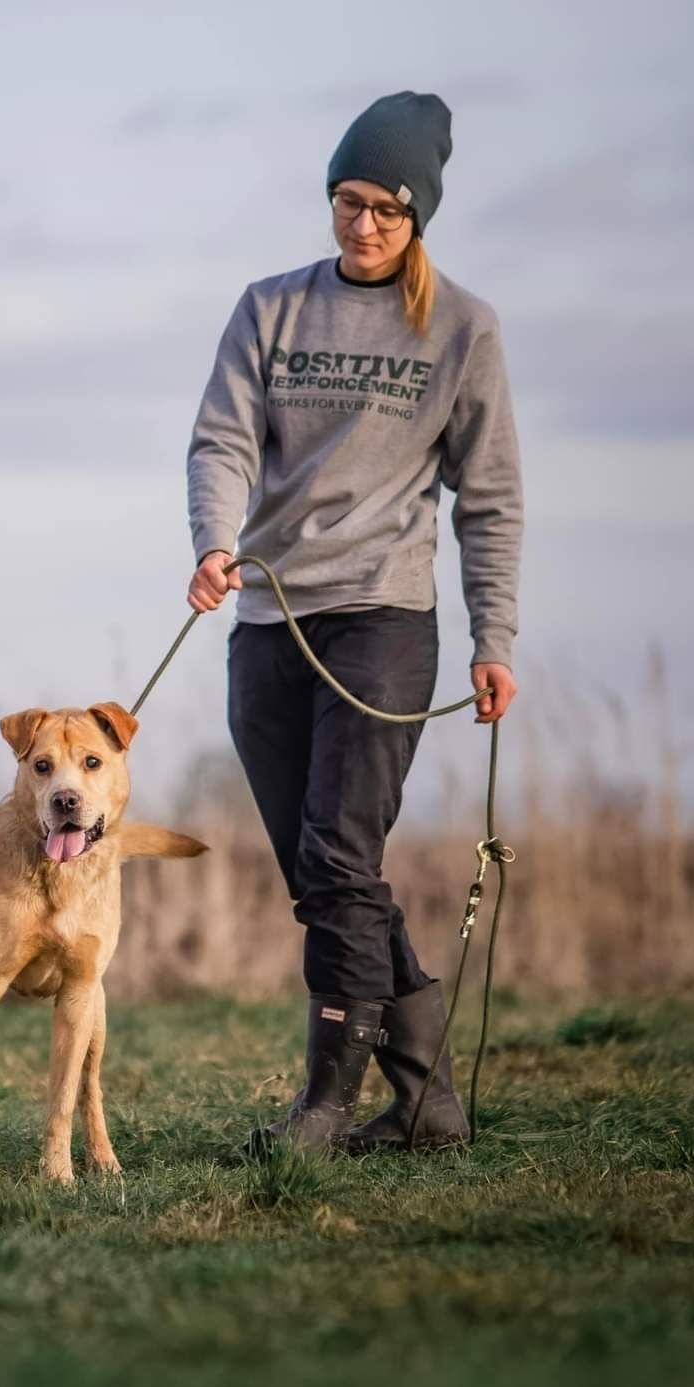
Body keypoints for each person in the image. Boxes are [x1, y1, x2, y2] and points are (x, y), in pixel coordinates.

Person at [185, 90, 523, 1156]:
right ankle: (429, 1108)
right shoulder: (271, 308)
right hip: (271, 617)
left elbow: (492, 496)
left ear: (418, 212)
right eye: (346, 200)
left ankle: (323, 1110)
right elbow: (222, 442)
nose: (362, 225)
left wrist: (494, 639)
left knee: (338, 853)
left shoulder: (463, 329)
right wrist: (212, 540)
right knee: (323, 871)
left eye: (384, 206)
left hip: (383, 618)